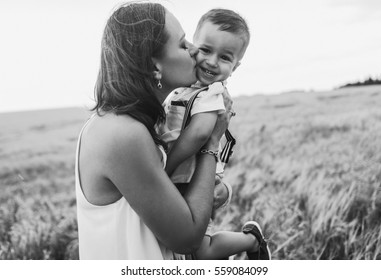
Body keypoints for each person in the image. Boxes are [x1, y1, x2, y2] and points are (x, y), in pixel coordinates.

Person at [75, 1, 234, 260]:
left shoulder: (129, 124)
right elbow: (189, 238)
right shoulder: (122, 134)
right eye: (183, 44)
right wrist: (212, 141)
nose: (195, 51)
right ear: (154, 67)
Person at [158, 9, 271, 259]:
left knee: (200, 250)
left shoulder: (214, 95)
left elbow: (198, 134)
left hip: (194, 179)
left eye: (225, 57)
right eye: (206, 50)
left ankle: (252, 242)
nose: (211, 61)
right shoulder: (184, 89)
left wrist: (164, 169)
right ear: (192, 47)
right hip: (180, 179)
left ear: (235, 66)